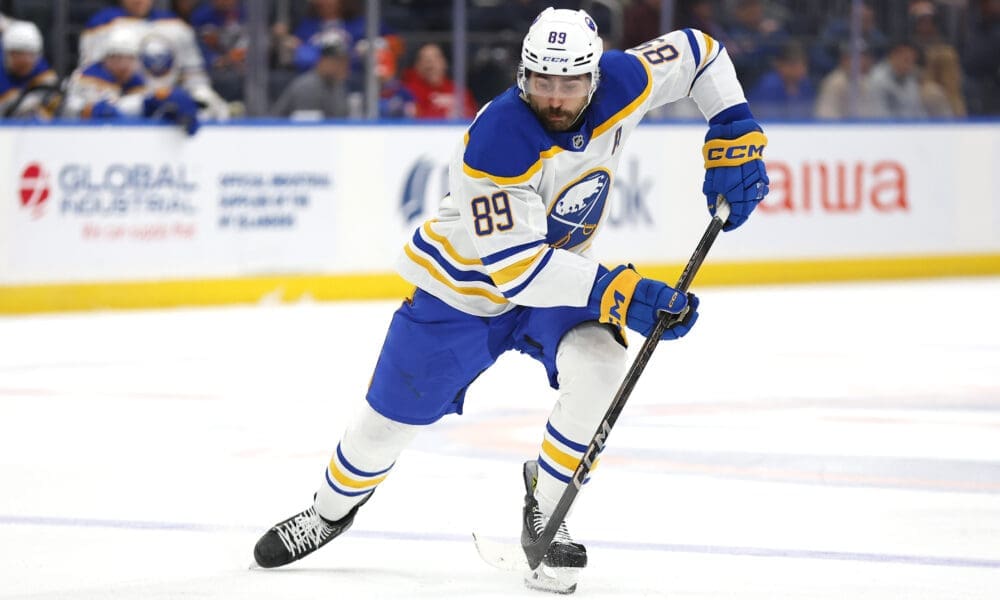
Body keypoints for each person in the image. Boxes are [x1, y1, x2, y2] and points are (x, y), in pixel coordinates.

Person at [252, 7, 769, 595]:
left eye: (569, 82)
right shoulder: (498, 138)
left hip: (561, 279)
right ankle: (328, 512)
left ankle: (547, 506)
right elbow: (518, 270)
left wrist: (733, 125)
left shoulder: (626, 79)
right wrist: (620, 293)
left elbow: (700, 51)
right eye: (541, 80)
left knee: (600, 366)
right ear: (523, 74)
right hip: (465, 291)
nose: (553, 96)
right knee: (383, 427)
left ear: (595, 76)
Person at [78, 0, 229, 119]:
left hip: (171, 110)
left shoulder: (177, 27)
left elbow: (194, 79)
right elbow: (93, 78)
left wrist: (202, 101)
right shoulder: (103, 24)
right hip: (126, 108)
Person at [63, 28, 200, 135]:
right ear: (106, 59)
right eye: (118, 58)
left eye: (129, 58)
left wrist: (161, 102)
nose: (124, 65)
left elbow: (130, 108)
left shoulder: (134, 81)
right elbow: (70, 111)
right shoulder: (90, 77)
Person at [270, 30, 352, 119]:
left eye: (345, 62)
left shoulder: (338, 85)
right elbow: (308, 129)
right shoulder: (308, 86)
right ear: (322, 62)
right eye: (337, 62)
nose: (344, 67)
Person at [0, 20, 60, 119]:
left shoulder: (44, 73)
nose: (27, 60)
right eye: (19, 54)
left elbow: (54, 111)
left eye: (32, 55)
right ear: (8, 54)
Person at [401, 43, 477, 119]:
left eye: (435, 59)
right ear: (417, 66)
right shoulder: (408, 91)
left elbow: (472, 118)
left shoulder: (458, 91)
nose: (430, 65)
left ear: (445, 63)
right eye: (424, 60)